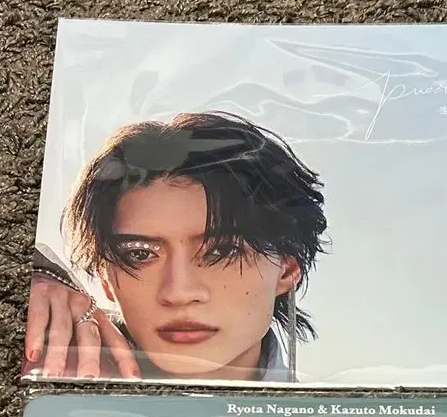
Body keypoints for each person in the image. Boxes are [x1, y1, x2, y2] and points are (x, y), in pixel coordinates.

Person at [22, 112, 328, 382]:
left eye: (222, 251)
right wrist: (36, 280)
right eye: (140, 254)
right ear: (105, 278)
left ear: (286, 270)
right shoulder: (56, 374)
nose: (178, 293)